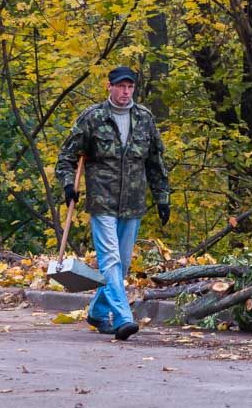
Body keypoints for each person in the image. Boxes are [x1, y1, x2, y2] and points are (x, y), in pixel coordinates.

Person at [55, 65, 170, 341]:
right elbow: (67, 156)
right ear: (109, 86)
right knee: (111, 261)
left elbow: (155, 161)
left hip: (133, 202)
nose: (125, 92)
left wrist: (163, 197)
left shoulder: (144, 118)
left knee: (124, 263)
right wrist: (69, 185)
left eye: (129, 87)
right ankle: (123, 318)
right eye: (120, 86)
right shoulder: (93, 118)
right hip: (102, 200)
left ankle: (96, 311)